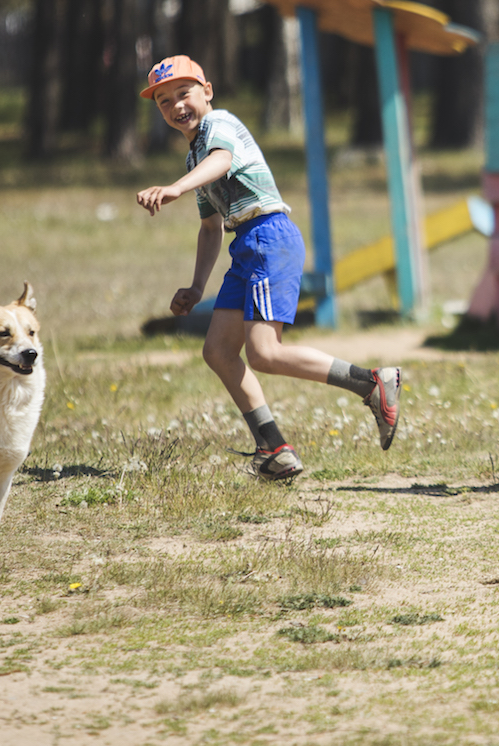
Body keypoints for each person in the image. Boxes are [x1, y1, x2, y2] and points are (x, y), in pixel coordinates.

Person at [134, 55, 400, 481]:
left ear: (207, 91)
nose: (175, 106)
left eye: (183, 93)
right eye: (164, 101)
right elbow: (209, 227)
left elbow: (222, 160)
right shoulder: (193, 157)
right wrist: (197, 286)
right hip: (246, 246)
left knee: (265, 353)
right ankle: (274, 449)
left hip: (269, 238)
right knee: (218, 351)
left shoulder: (220, 125)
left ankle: (371, 383)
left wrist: (175, 190)